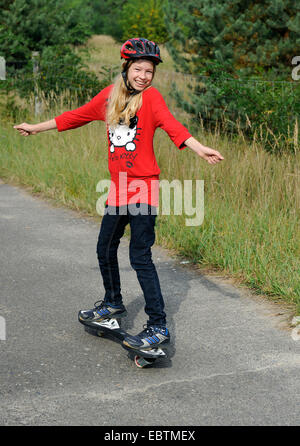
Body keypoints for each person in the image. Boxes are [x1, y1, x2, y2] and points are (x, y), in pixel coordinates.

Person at [14, 37, 224, 352]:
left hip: (143, 188)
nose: (144, 75)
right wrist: (35, 126)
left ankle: (158, 327)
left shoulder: (152, 99)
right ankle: (112, 305)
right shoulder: (110, 98)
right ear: (126, 68)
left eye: (149, 71)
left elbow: (174, 128)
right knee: (105, 249)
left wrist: (199, 148)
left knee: (140, 257)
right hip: (118, 190)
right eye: (138, 69)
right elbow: (74, 116)